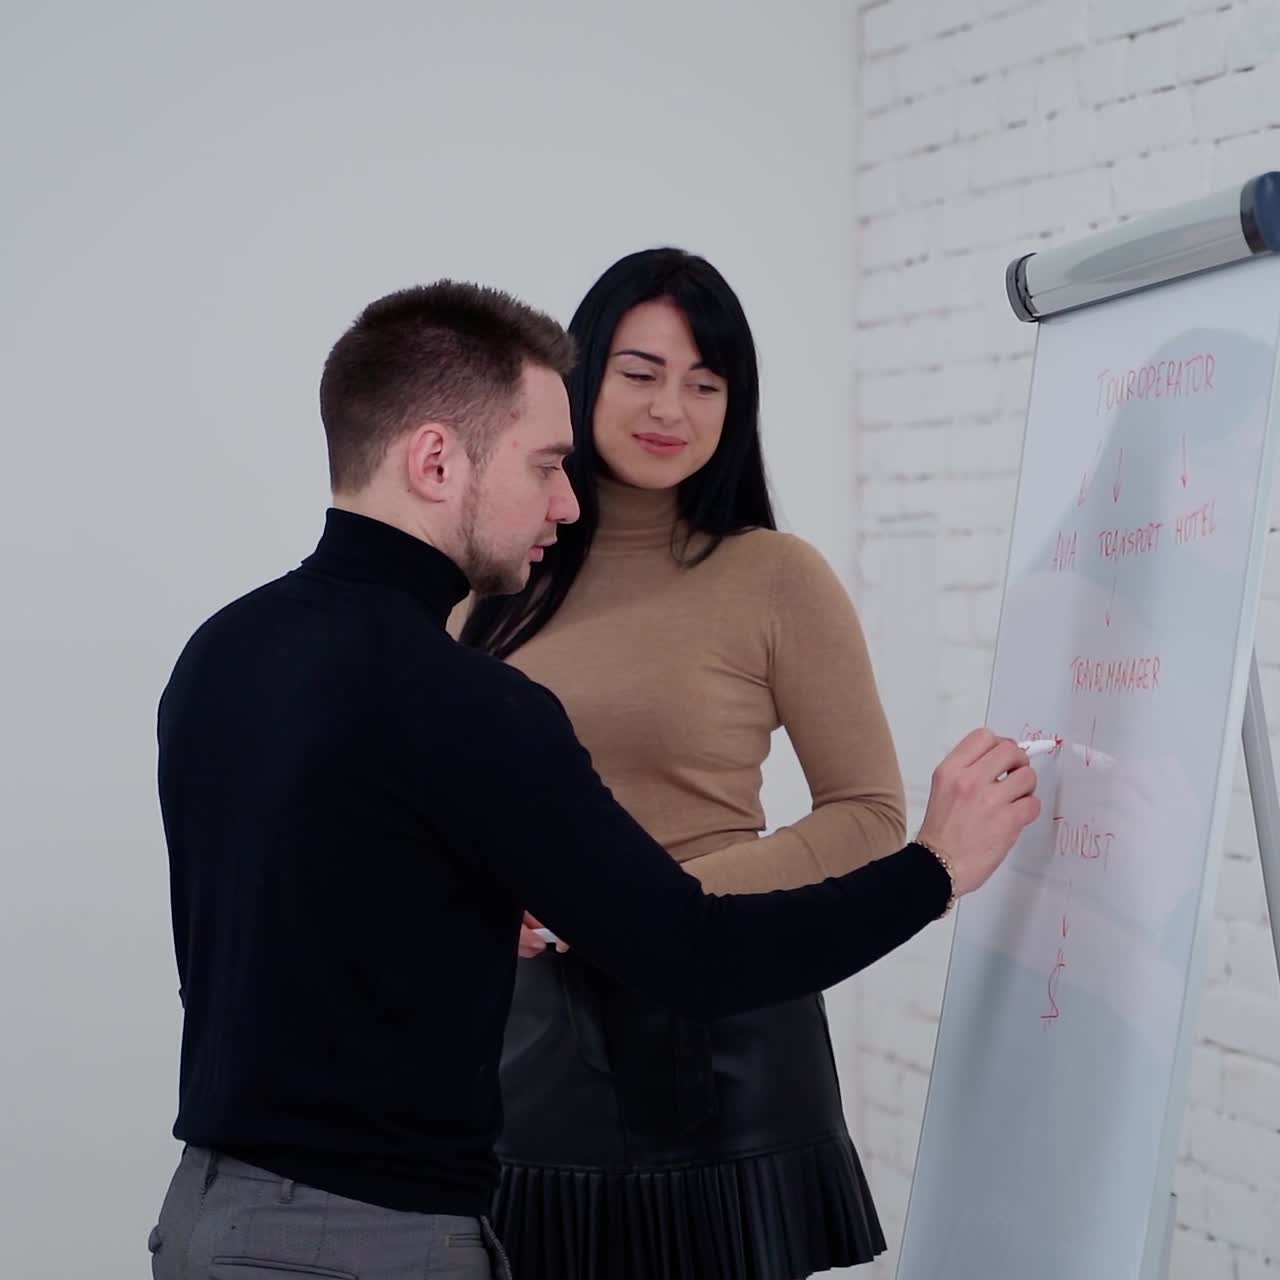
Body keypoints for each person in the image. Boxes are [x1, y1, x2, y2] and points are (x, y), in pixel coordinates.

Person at [148, 279, 1040, 1280]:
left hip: (213, 1206)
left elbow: (341, 889)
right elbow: (691, 948)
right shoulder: (469, 689)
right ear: (436, 458)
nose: (563, 499)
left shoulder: (221, 650)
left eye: (706, 382)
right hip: (388, 1219)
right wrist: (935, 867)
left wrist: (510, 893)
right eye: (544, 463)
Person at [457, 246, 907, 1279]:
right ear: (582, 379)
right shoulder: (488, 575)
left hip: (727, 1036)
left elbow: (868, 812)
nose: (673, 406)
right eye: (642, 371)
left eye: (706, 383)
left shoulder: (774, 575)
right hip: (524, 1044)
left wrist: (642, 904)